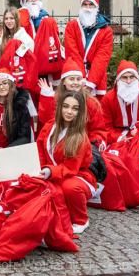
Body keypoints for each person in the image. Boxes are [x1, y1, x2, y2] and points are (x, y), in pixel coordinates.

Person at [36, 90, 95, 234]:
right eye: (66, 106)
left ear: (80, 112)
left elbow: (70, 169)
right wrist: (40, 169)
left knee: (70, 187)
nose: (69, 111)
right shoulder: (50, 126)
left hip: (77, 177)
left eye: (75, 109)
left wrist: (48, 171)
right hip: (52, 173)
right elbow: (40, 151)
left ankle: (81, 220)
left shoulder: (79, 138)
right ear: (60, 107)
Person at [36, 59, 109, 149]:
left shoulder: (90, 103)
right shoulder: (56, 99)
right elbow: (47, 122)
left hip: (83, 148)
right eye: (71, 79)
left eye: (78, 79)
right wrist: (48, 96)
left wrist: (95, 145)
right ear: (64, 82)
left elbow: (98, 130)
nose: (75, 82)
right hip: (58, 147)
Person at [63, 0, 113, 96]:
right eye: (85, 5)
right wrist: (81, 80)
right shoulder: (71, 26)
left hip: (96, 81)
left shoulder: (106, 31)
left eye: (91, 5)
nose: (88, 8)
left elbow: (102, 58)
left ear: (97, 7)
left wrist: (90, 83)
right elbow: (72, 54)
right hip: (75, 79)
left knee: (95, 110)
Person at [100, 60, 139, 144]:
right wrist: (119, 137)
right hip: (117, 133)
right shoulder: (108, 98)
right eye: (124, 77)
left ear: (137, 78)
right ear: (118, 79)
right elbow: (105, 126)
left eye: (132, 77)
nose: (128, 81)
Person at [18, 0, 64, 85]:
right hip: (27, 61)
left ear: (40, 0)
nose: (33, 0)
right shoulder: (22, 16)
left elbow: (56, 41)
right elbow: (20, 29)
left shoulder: (49, 20)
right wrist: (24, 12)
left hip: (46, 64)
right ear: (25, 1)